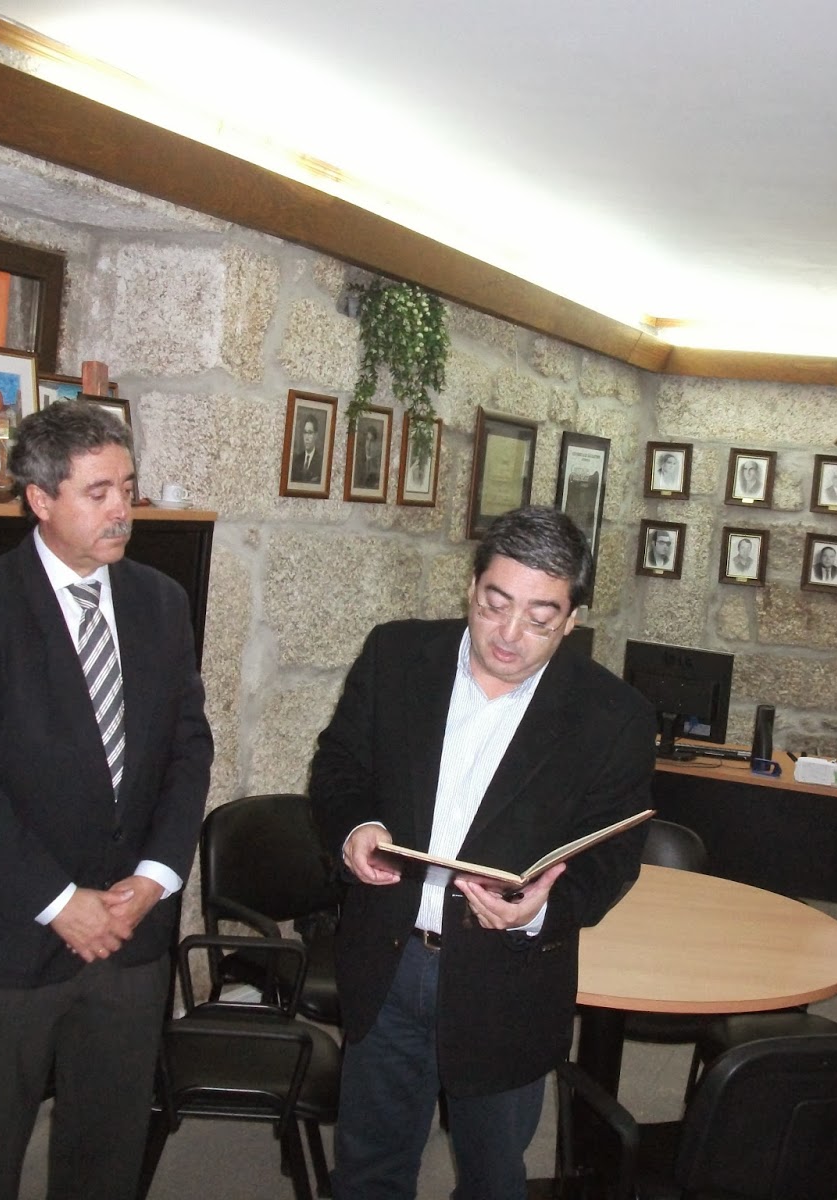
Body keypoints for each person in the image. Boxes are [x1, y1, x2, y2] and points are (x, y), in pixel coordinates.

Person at [309, 505, 652, 1200]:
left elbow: (613, 857)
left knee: (493, 1181)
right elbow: (339, 765)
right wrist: (355, 828)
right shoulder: (396, 655)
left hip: (508, 982)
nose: (509, 634)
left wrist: (541, 909)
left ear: (572, 619)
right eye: (496, 604)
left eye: (540, 618)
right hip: (390, 959)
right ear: (471, 586)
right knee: (368, 1174)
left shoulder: (613, 716)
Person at [0, 403, 214, 1200]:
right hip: (15, 933)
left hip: (132, 929)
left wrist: (154, 878)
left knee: (105, 1155)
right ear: (40, 500)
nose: (122, 510)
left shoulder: (160, 601)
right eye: (98, 492)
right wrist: (59, 902)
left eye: (128, 487)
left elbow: (188, 749)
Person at [291, 413, 323, 484]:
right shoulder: (296, 460)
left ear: (316, 435)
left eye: (310, 433)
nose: (306, 438)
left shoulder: (321, 462)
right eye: (305, 432)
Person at [354, 423, 383, 490]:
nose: (368, 444)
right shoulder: (358, 459)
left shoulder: (375, 460)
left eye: (371, 441)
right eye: (367, 439)